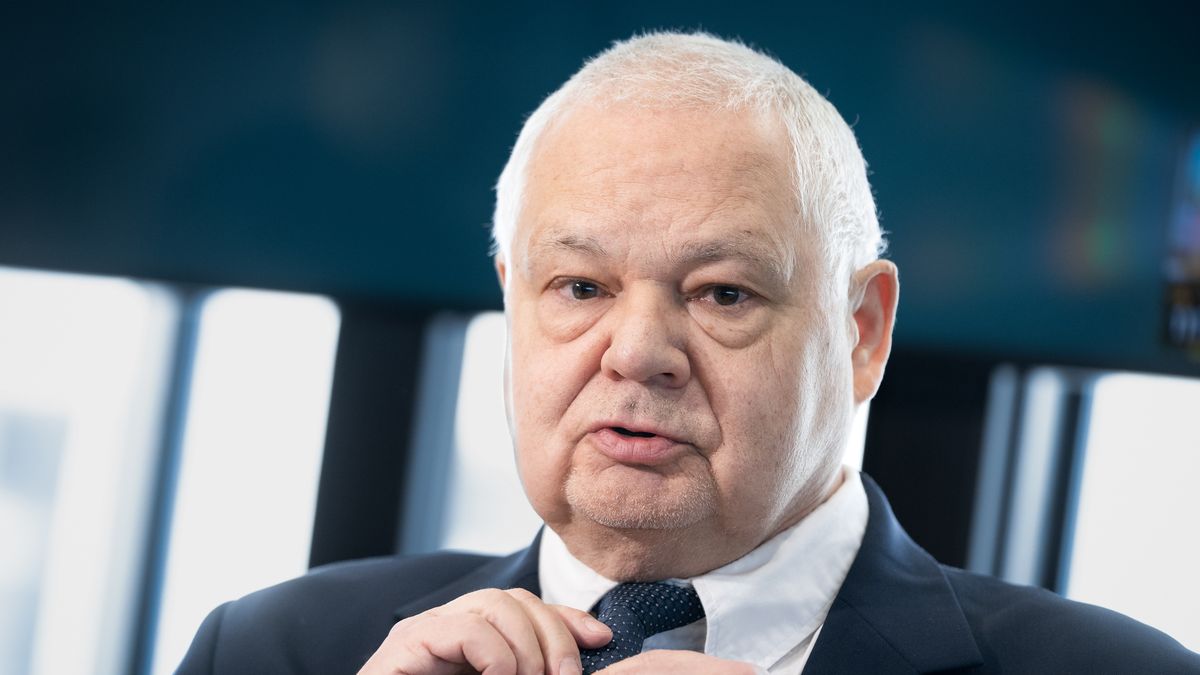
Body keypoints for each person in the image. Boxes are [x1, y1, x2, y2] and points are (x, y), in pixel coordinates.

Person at [178, 32, 1200, 674]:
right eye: (581, 287)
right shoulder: (276, 649)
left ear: (861, 331)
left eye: (722, 293)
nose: (636, 354)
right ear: (512, 299)